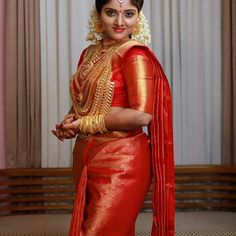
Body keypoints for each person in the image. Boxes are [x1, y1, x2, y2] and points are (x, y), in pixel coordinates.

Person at [52, 0, 175, 235]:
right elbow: (84, 104)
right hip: (86, 157)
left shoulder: (134, 54)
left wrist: (85, 124)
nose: (120, 22)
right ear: (99, 15)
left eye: (128, 14)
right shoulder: (88, 54)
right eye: (111, 13)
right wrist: (70, 122)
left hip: (122, 161)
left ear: (138, 17)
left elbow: (141, 115)